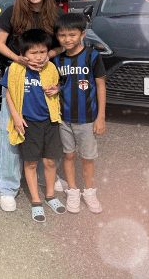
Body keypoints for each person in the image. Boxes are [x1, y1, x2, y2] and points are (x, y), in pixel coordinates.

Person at [0, 0, 66, 212]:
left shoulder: (56, 14)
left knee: (48, 129)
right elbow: (0, 43)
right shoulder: (12, 12)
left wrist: (48, 57)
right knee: (12, 132)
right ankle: (7, 187)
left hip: (45, 78)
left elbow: (63, 45)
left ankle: (47, 178)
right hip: (17, 77)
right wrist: (19, 59)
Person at [1, 29, 65, 222]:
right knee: (30, 163)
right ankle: (36, 201)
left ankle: (50, 195)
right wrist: (15, 117)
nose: (38, 57)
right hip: (28, 124)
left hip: (50, 121)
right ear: (23, 54)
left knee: (50, 161)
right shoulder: (15, 69)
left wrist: (57, 89)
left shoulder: (51, 68)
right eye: (33, 53)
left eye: (42, 52)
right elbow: (9, 92)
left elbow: (58, 86)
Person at [52, 13, 106, 213]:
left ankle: (89, 191)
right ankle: (73, 191)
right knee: (69, 155)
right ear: (57, 36)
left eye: (72, 35)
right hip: (64, 119)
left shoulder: (92, 56)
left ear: (82, 34)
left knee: (87, 157)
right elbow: (59, 84)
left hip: (87, 118)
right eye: (62, 35)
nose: (67, 39)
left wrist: (101, 117)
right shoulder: (57, 60)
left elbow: (101, 86)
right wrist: (55, 90)